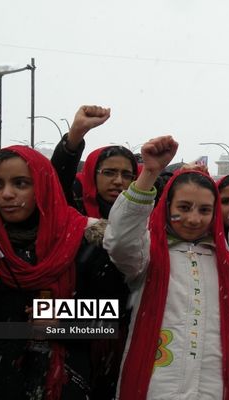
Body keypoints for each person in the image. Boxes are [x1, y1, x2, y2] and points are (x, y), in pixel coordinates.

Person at [103, 136, 229, 399]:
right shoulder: (147, 256)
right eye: (183, 208)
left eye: (205, 210)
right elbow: (120, 241)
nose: (194, 219)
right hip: (153, 388)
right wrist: (149, 173)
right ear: (166, 207)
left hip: (215, 390)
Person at [0, 145, 104, 399]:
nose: (7, 194)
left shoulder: (83, 240)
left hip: (64, 383)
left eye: (21, 183)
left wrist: (62, 321)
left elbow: (111, 322)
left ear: (43, 186)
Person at [50, 105, 136, 399]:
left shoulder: (144, 221)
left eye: (127, 174)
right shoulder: (71, 214)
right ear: (91, 174)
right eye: (109, 172)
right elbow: (56, 183)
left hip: (126, 339)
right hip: (75, 337)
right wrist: (76, 136)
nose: (118, 181)